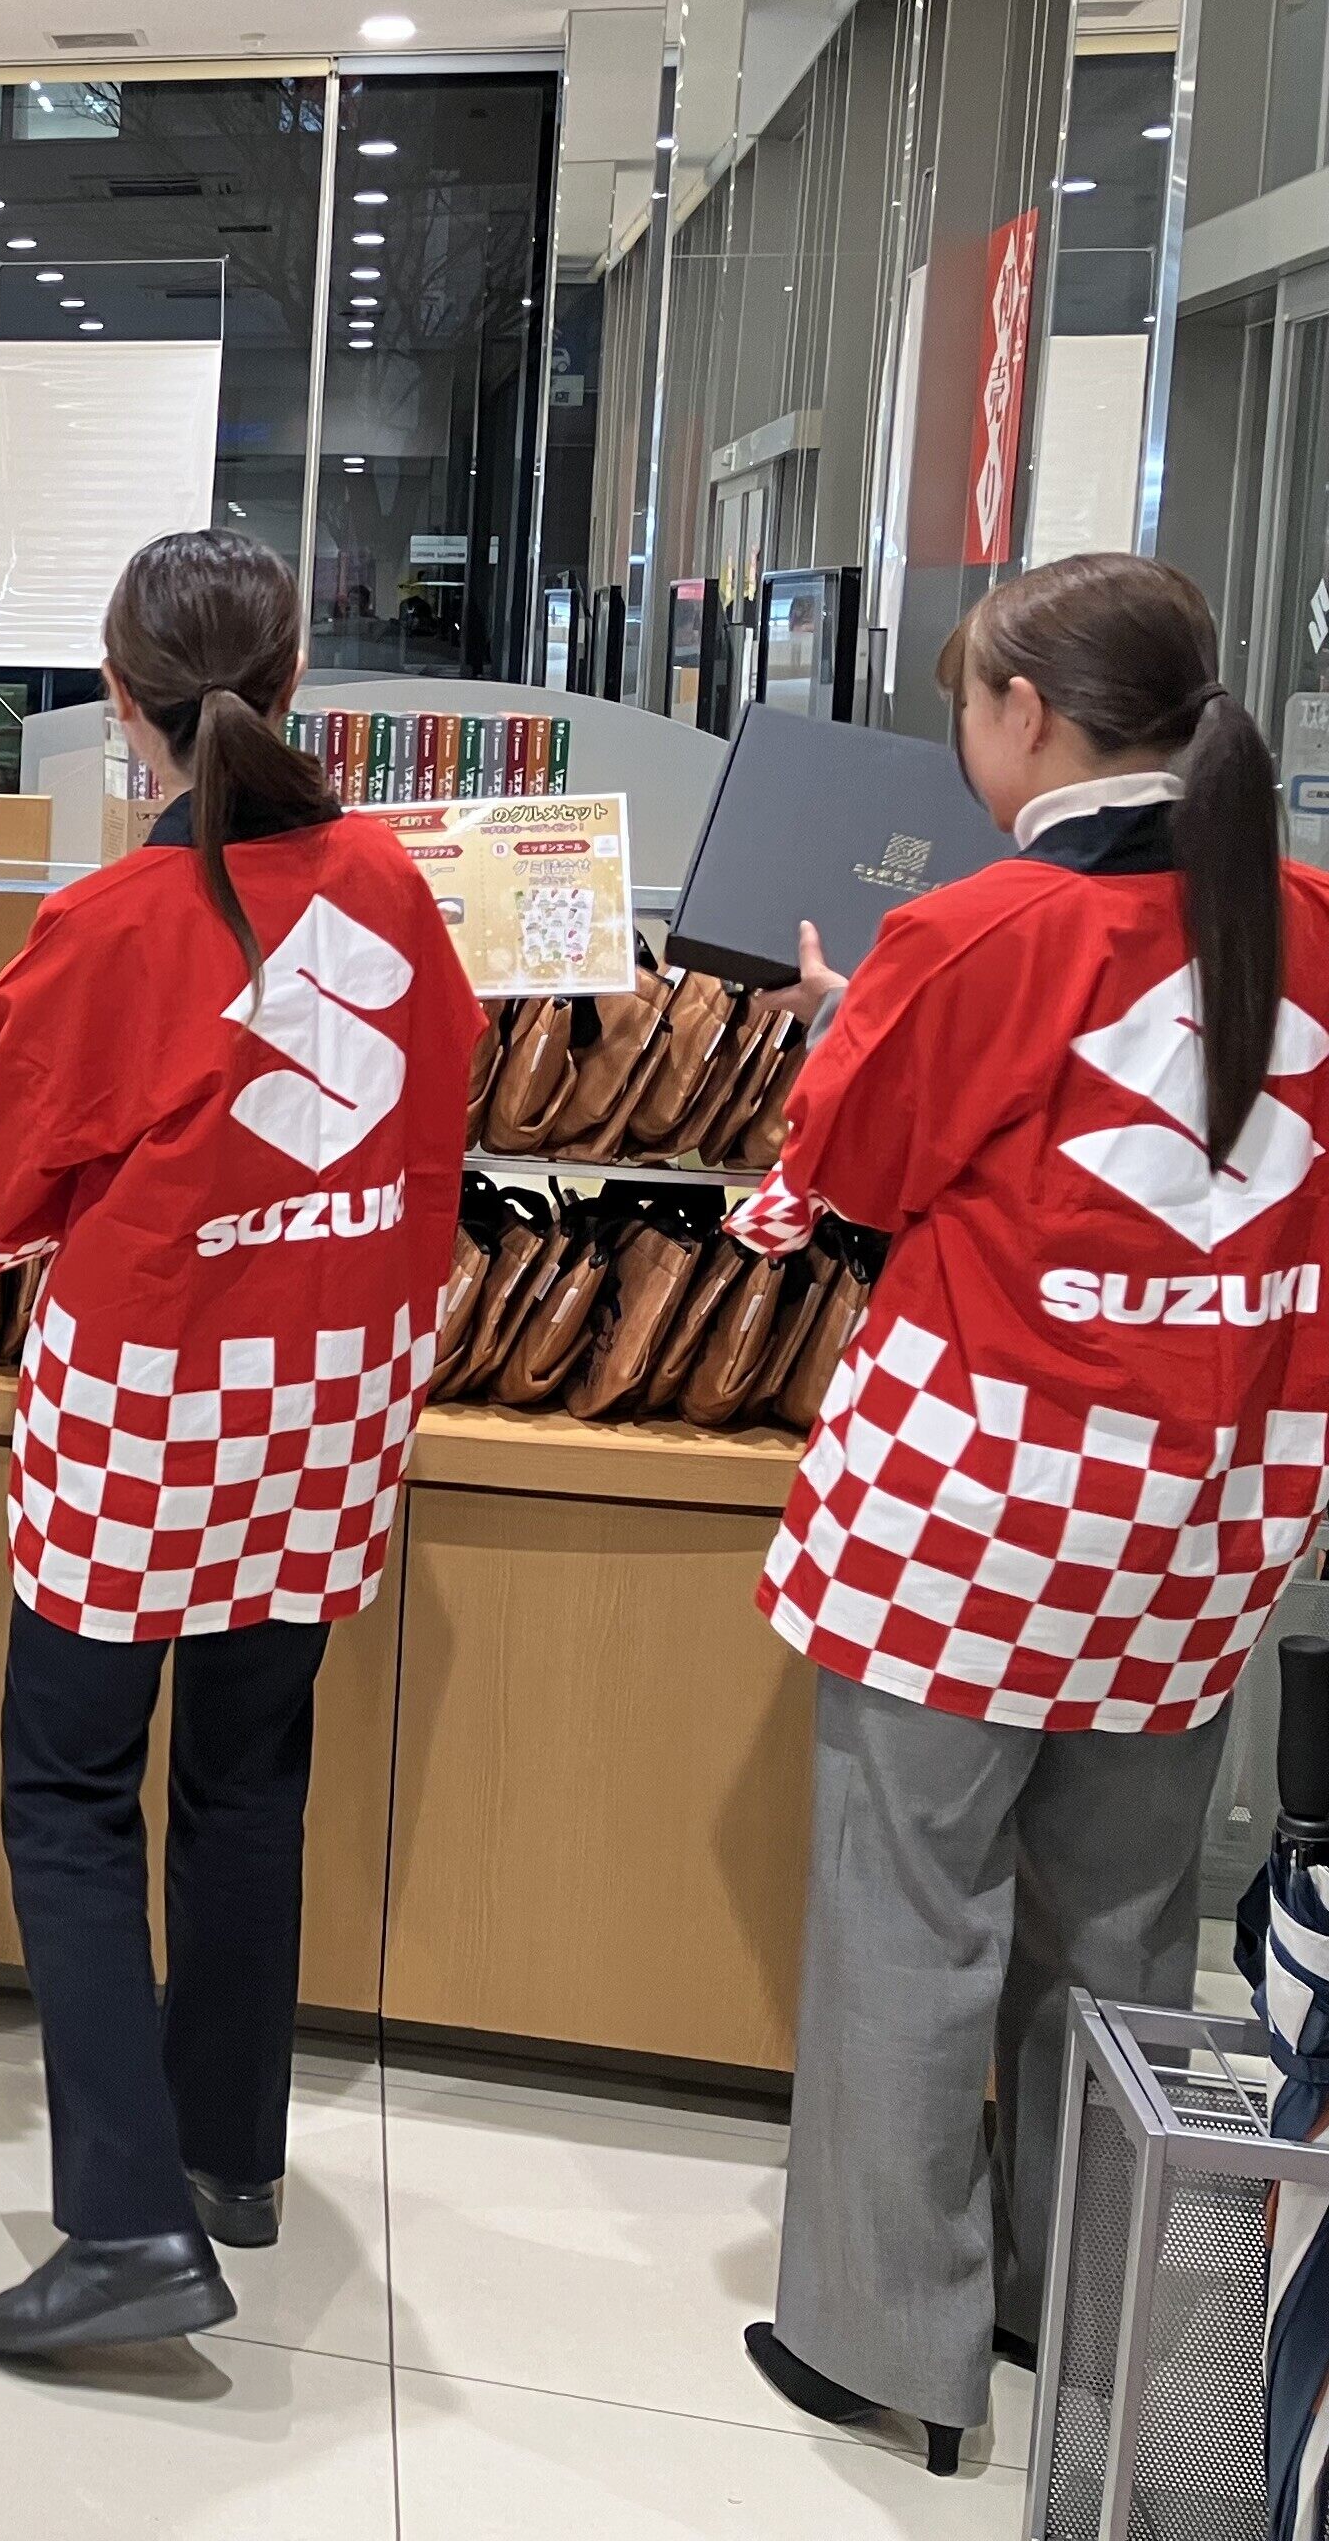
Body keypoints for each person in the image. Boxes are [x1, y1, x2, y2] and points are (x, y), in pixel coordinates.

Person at [729, 553, 1328, 2476]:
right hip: (1216, 1503)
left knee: (912, 1907)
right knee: (1129, 1923)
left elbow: (844, 1173)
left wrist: (841, 1025)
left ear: (1029, 719)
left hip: (982, 1498)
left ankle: (883, 2342)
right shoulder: (1307, 924)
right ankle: (1086, 2317)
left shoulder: (979, 928)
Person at [0, 528, 479, 2358]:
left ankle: (127, 2224)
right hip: (337, 1395)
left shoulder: (114, 923)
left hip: (153, 1399)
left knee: (71, 1793)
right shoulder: (392, 886)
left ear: (121, 702)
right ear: (299, 678)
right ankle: (231, 2154)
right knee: (250, 1779)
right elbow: (441, 1114)